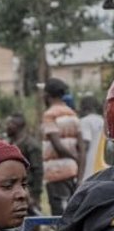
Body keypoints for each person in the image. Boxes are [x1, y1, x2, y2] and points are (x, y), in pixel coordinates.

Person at [41, 77, 84, 214]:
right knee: (72, 212)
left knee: (60, 215)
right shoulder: (73, 114)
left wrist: (74, 158)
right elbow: (82, 148)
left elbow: (57, 146)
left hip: (56, 172)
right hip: (73, 172)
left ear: (46, 96)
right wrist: (80, 173)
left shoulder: (49, 115)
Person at [5, 114, 46, 212]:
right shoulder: (10, 144)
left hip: (29, 189)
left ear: (16, 126)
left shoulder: (31, 145)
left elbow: (38, 171)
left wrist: (35, 197)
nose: (6, 127)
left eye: (9, 124)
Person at [79, 94, 105, 185]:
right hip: (102, 167)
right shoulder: (103, 121)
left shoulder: (85, 121)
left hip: (88, 170)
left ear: (84, 107)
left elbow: (85, 144)